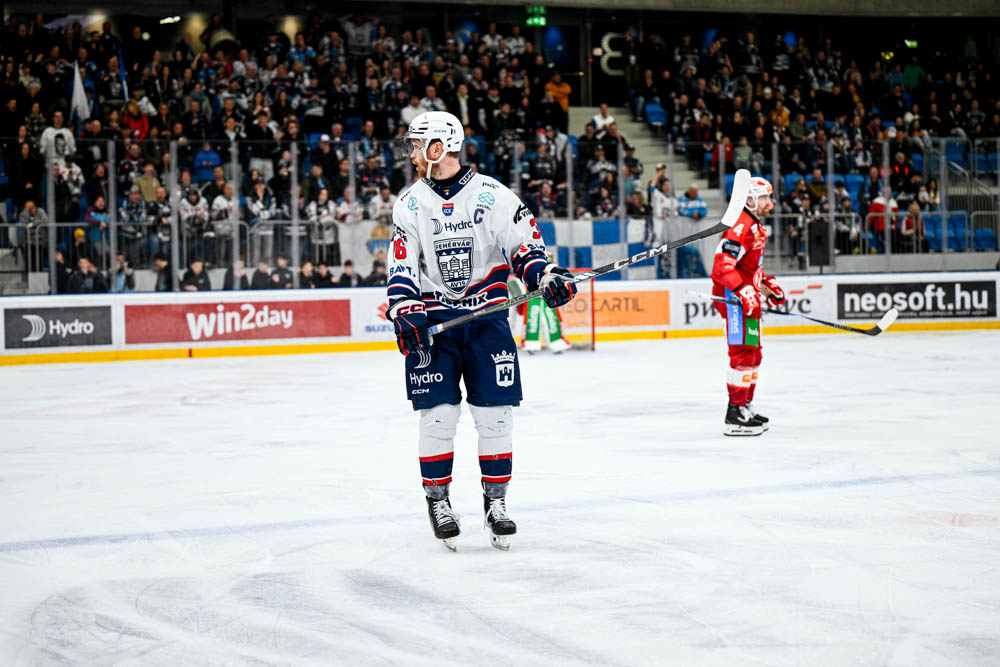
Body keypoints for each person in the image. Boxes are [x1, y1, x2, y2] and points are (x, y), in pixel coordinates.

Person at [388, 111, 577, 551]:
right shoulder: (409, 204)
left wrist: (546, 275)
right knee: (438, 417)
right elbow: (402, 264)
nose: (412, 154)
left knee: (496, 418)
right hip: (436, 325)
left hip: (488, 322)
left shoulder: (493, 196)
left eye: (417, 145)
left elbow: (525, 248)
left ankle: (496, 504)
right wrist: (404, 308)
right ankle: (439, 503)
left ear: (437, 148)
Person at [710, 176, 785, 436]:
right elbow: (722, 266)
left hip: (746, 299)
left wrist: (765, 283)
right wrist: (743, 291)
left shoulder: (754, 225)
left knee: (753, 354)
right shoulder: (741, 225)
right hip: (734, 300)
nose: (769, 203)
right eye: (764, 198)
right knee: (742, 354)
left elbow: (748, 267)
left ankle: (744, 406)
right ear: (750, 199)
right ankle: (734, 414)